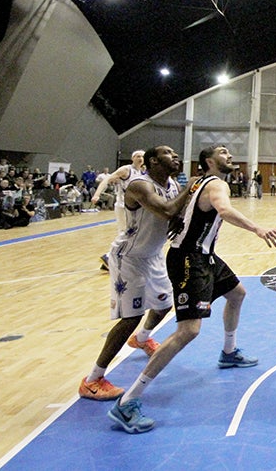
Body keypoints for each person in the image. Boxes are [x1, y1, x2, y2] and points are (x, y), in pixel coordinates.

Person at [107, 145, 276, 434]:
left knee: (237, 293)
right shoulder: (215, 183)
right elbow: (224, 210)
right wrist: (257, 229)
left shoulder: (198, 183)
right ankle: (128, 401)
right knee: (188, 331)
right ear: (209, 161)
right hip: (191, 259)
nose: (229, 156)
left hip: (204, 256)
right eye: (223, 152)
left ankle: (229, 352)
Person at [79, 146, 192, 402]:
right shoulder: (139, 185)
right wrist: (190, 188)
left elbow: (176, 215)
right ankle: (92, 380)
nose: (175, 156)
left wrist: (178, 214)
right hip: (128, 257)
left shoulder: (172, 184)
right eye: (168, 153)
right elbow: (166, 211)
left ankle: (141, 339)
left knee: (164, 305)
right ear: (153, 161)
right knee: (131, 317)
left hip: (152, 255)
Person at [93, 150, 146, 269]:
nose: (140, 158)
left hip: (134, 208)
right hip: (123, 206)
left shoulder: (142, 172)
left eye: (142, 156)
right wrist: (97, 194)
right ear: (132, 158)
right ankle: (109, 256)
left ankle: (112, 261)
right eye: (138, 156)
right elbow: (106, 180)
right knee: (125, 233)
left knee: (133, 233)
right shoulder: (126, 170)